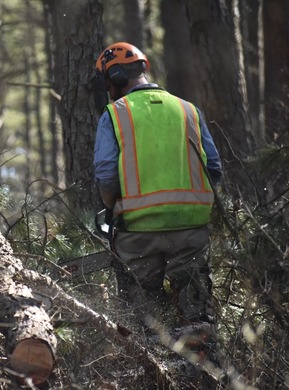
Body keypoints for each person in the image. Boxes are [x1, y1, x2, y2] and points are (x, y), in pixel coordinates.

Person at [93, 42, 223, 356]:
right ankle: (205, 372)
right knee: (196, 317)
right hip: (191, 228)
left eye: (108, 82)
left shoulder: (114, 114)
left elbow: (107, 173)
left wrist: (113, 209)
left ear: (118, 76)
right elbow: (214, 168)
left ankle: (155, 368)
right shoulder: (188, 110)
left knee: (144, 318)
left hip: (139, 232)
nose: (108, 89)